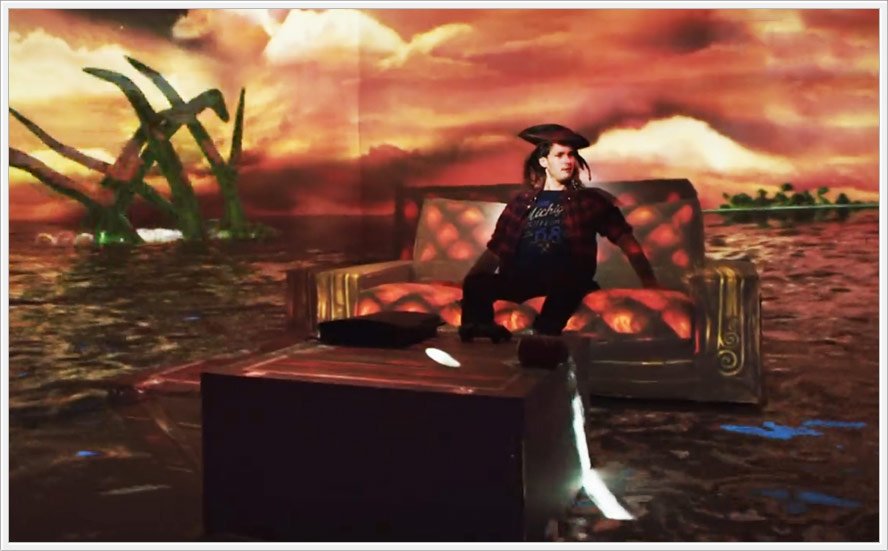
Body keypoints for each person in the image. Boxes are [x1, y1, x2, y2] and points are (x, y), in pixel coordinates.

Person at [458, 123, 659, 347]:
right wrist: (471, 280)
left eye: (571, 155)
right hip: (521, 279)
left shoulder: (589, 201)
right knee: (477, 284)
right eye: (560, 155)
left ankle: (542, 336)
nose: (568, 161)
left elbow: (626, 241)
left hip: (565, 279)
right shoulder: (521, 203)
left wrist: (649, 282)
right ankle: (481, 332)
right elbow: (496, 249)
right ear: (544, 161)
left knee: (570, 281)